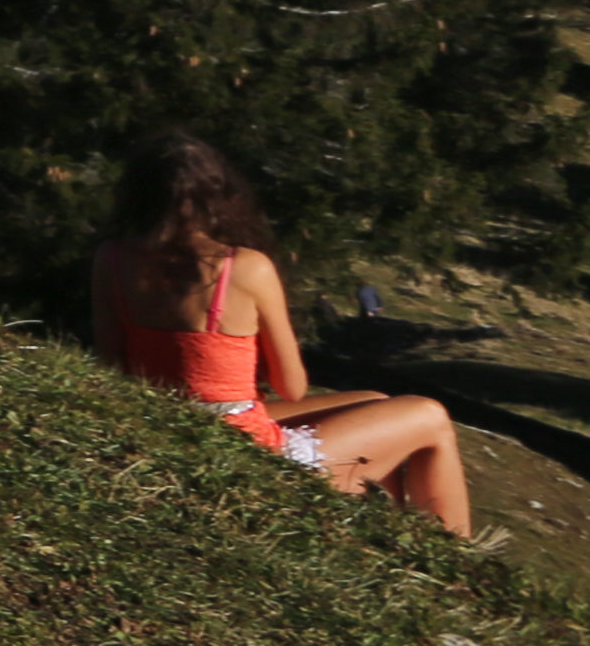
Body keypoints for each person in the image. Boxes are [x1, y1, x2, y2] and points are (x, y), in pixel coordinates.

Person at [95, 130, 472, 538]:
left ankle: (383, 535)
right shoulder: (245, 267)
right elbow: (291, 387)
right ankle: (451, 559)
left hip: (172, 423)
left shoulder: (112, 259)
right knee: (430, 417)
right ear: (217, 194)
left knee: (375, 402)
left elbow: (111, 361)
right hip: (241, 449)